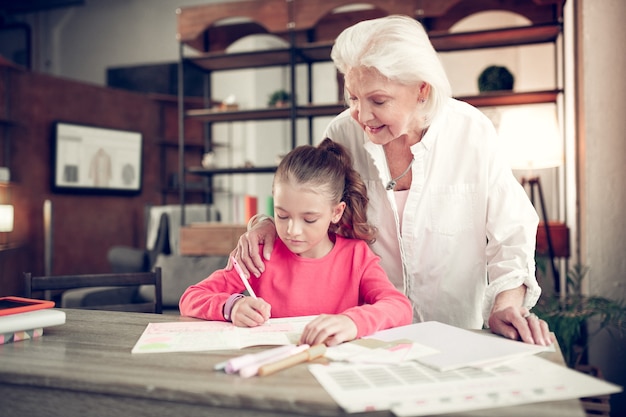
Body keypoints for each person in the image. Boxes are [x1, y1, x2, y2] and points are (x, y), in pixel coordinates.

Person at [228, 15, 552, 346]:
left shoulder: (472, 132)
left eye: (378, 101)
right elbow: (311, 207)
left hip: (455, 332)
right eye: (353, 97)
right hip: (367, 335)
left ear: (421, 89)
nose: (362, 116)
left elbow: (511, 234)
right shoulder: (342, 133)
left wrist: (506, 304)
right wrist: (268, 224)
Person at [179, 139, 413, 346]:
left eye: (309, 219)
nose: (292, 230)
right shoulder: (259, 254)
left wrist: (352, 322)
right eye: (282, 215)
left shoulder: (356, 257)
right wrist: (231, 307)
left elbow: (400, 307)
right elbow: (191, 297)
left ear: (336, 212)